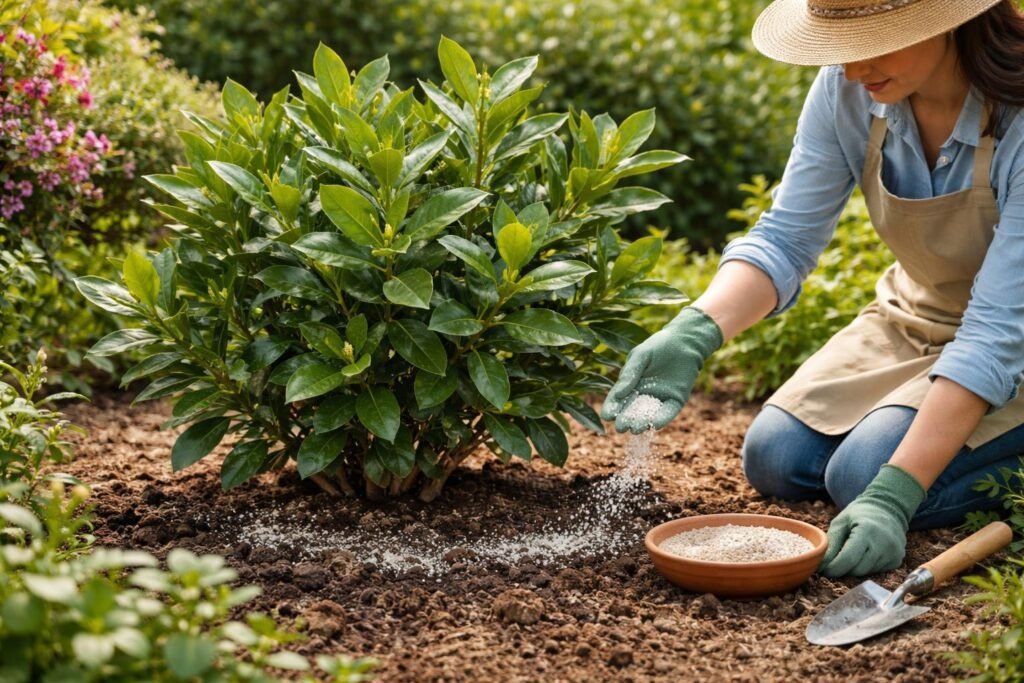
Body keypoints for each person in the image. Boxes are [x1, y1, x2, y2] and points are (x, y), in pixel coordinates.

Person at [602, 0, 1024, 578]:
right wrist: (694, 332)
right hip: (918, 314)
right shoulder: (852, 90)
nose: (850, 70)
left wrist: (892, 495)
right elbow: (785, 239)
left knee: (862, 475)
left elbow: (997, 333)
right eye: (838, 42)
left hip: (1014, 342)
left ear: (944, 21)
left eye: (873, 39)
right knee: (776, 457)